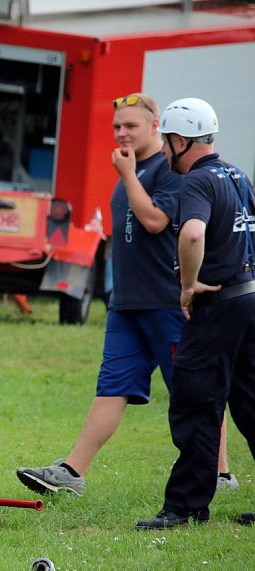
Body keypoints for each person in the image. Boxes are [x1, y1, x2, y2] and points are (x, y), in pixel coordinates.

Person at [16, 93, 237, 498]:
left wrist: (129, 176)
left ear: (157, 128)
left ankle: (220, 474)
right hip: (127, 304)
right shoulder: (133, 168)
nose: (122, 133)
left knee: (195, 389)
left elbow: (155, 221)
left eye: (131, 126)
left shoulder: (171, 169)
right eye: (117, 126)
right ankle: (71, 472)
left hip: (169, 303)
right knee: (111, 387)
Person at [136, 98, 255, 530]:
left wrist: (188, 287)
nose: (164, 152)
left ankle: (185, 507)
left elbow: (191, 233)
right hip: (249, 300)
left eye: (167, 143)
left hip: (218, 307)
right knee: (250, 402)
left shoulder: (198, 182)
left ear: (180, 139)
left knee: (196, 403)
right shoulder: (238, 176)